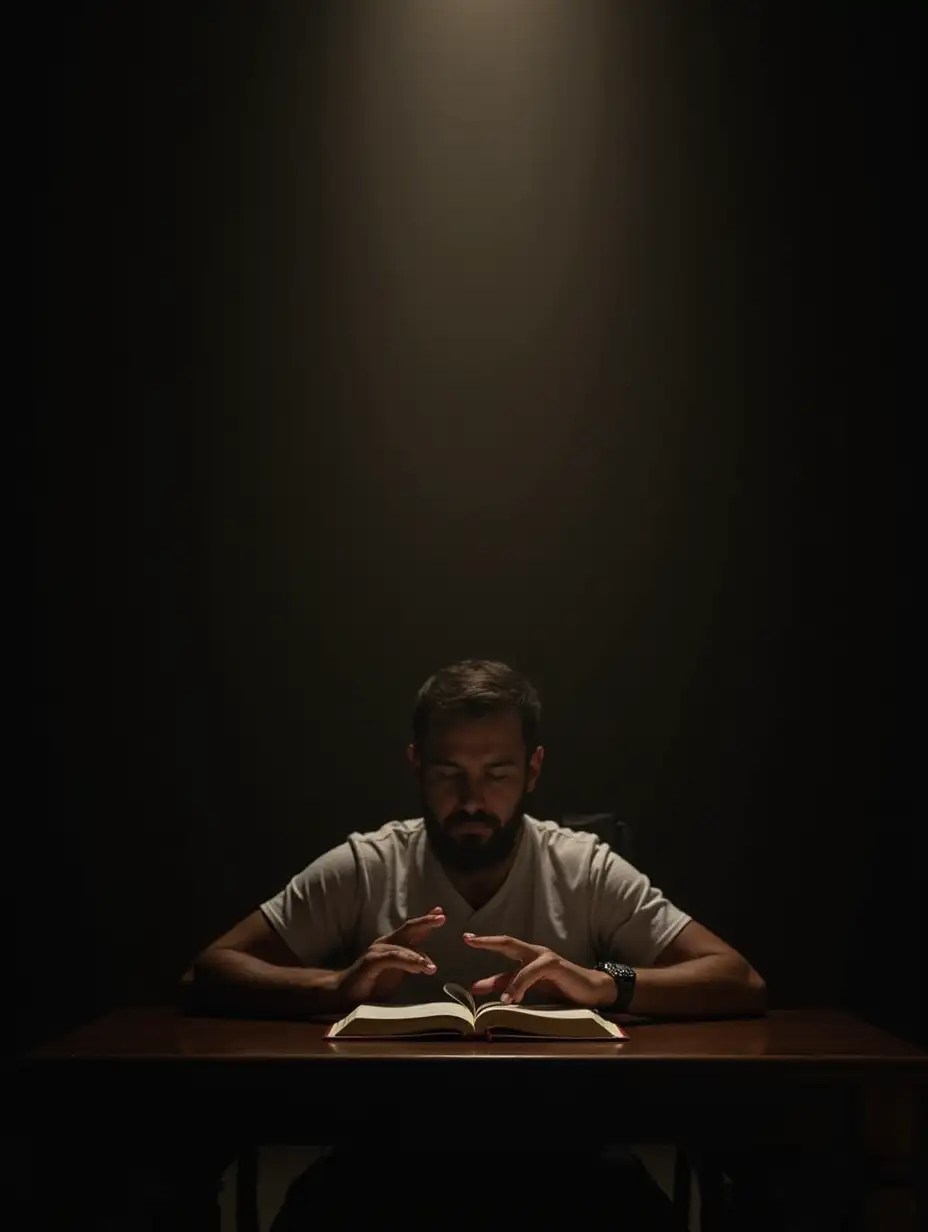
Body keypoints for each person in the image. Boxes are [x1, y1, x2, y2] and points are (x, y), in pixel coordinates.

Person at [193, 659, 766, 1229]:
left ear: (533, 770)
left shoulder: (583, 868)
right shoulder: (368, 866)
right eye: (449, 773)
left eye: (497, 774)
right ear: (416, 765)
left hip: (564, 1156)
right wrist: (334, 985)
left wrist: (605, 982)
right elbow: (211, 968)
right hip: (387, 1156)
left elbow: (738, 979)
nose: (472, 799)